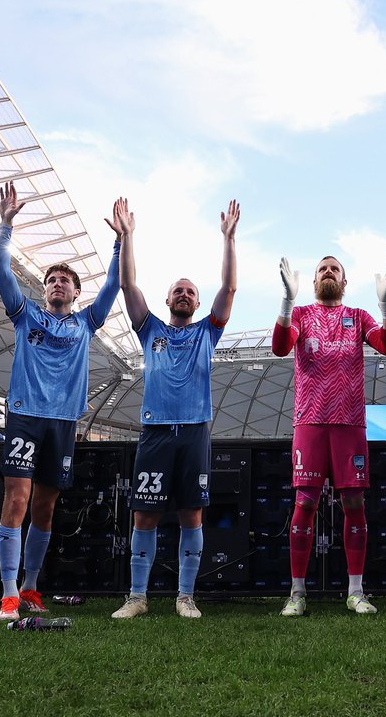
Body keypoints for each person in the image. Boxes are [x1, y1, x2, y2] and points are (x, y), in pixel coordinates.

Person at [0, 183, 122, 621]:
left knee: (45, 506)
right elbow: (1, 271)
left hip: (63, 422)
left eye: (64, 279)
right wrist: (6, 225)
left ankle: (30, 586)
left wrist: (122, 242)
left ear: (75, 292)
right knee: (17, 499)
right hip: (25, 415)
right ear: (44, 289)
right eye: (51, 279)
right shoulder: (25, 313)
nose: (57, 283)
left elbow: (115, 284)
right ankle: (8, 592)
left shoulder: (87, 322)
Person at [110, 197, 239, 619]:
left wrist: (229, 239)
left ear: (197, 304)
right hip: (157, 430)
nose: (184, 295)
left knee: (192, 514)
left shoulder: (207, 332)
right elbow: (129, 286)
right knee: (144, 513)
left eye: (190, 292)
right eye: (177, 290)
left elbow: (230, 289)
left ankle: (185, 596)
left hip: (196, 429)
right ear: (167, 299)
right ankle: (137, 596)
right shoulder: (150, 330)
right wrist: (127, 237)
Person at [273, 251, 386, 617]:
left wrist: (385, 303)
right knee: (305, 505)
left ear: (344, 282)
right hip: (310, 423)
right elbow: (281, 348)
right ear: (314, 281)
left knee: (355, 506)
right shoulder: (300, 314)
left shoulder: (358, 317)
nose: (328, 273)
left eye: (335, 269)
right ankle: (297, 593)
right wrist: (287, 300)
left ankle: (355, 591)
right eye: (322, 269)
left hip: (350, 425)